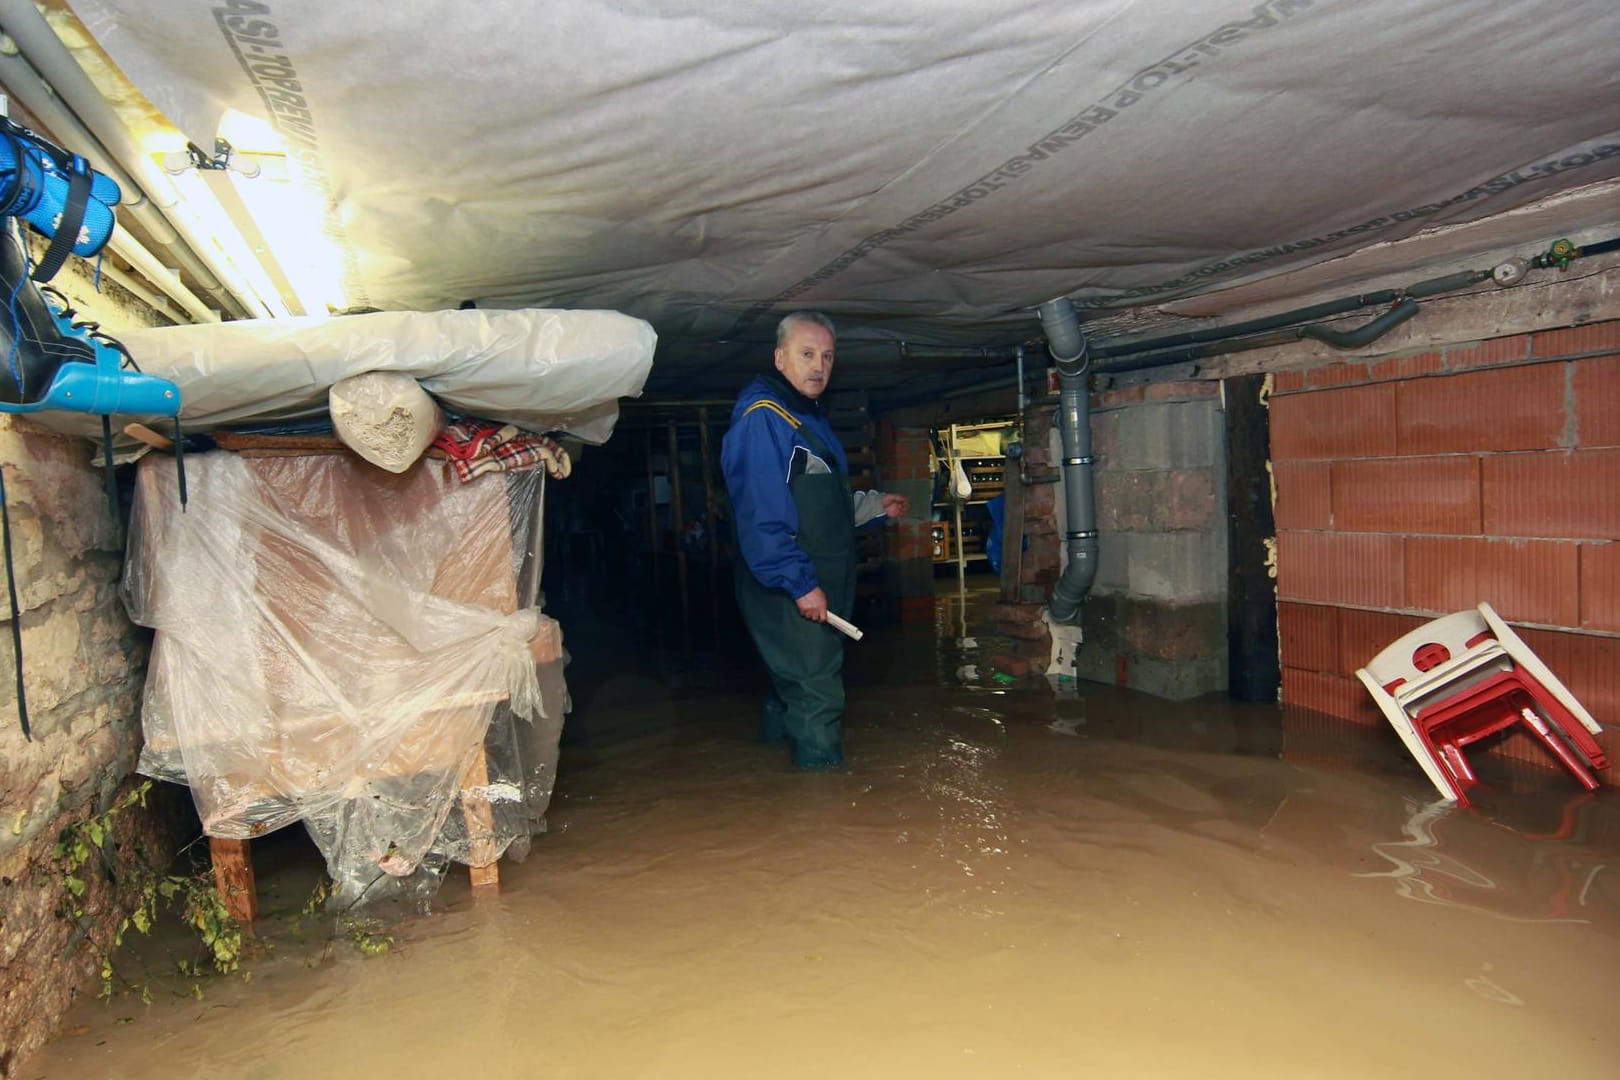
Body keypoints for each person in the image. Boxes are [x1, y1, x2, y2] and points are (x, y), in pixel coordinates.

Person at [720, 311, 908, 768]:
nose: (818, 366)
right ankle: (823, 810)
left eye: (826, 356)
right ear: (780, 358)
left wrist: (872, 507)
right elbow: (762, 512)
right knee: (815, 690)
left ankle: (776, 796)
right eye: (807, 354)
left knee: (791, 684)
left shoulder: (807, 418)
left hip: (811, 578)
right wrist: (800, 582)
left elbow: (819, 500)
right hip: (791, 584)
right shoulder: (765, 420)